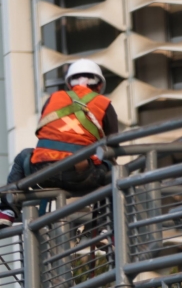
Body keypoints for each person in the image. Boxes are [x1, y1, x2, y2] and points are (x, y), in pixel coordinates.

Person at [0, 59, 118, 226]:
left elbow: (49, 132)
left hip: (42, 172)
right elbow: (113, 146)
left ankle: (7, 211)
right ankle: (104, 225)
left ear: (69, 83)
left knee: (23, 156)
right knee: (112, 169)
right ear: (99, 85)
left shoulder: (53, 99)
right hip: (80, 174)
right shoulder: (104, 104)